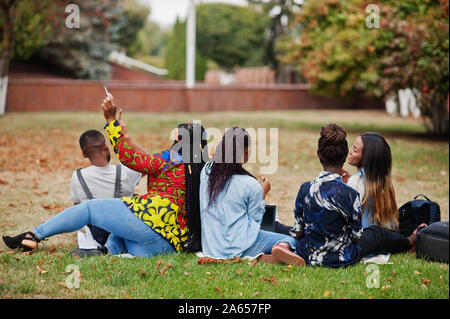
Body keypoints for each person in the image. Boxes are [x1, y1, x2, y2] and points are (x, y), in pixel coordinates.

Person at [2, 94, 208, 258]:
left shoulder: (169, 160)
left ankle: (33, 235)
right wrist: (126, 137)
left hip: (149, 229)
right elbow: (150, 160)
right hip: (164, 246)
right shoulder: (201, 170)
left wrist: (111, 122)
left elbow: (132, 159)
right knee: (126, 217)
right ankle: (107, 251)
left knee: (91, 208)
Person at [199, 127, 305, 266]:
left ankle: (263, 256)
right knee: (289, 240)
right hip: (240, 246)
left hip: (211, 246)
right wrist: (263, 192)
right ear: (246, 152)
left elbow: (230, 181)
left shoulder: (207, 171)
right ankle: (276, 249)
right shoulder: (250, 185)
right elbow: (256, 220)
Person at [290, 124, 363, 268]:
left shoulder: (305, 189)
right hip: (343, 259)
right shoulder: (351, 195)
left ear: (319, 155)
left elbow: (298, 232)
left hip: (308, 255)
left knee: (291, 240)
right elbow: (356, 237)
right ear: (344, 155)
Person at [346, 132, 425, 257]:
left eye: (355, 150)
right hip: (384, 239)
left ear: (366, 158)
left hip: (364, 241)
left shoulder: (355, 182)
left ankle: (409, 241)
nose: (350, 151)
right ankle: (408, 240)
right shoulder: (382, 182)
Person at [70, 129, 142, 247]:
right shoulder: (125, 172)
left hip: (96, 237)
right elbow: (150, 162)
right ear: (106, 147)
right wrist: (128, 140)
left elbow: (78, 209)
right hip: (124, 234)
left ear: (84, 154)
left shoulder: (78, 177)